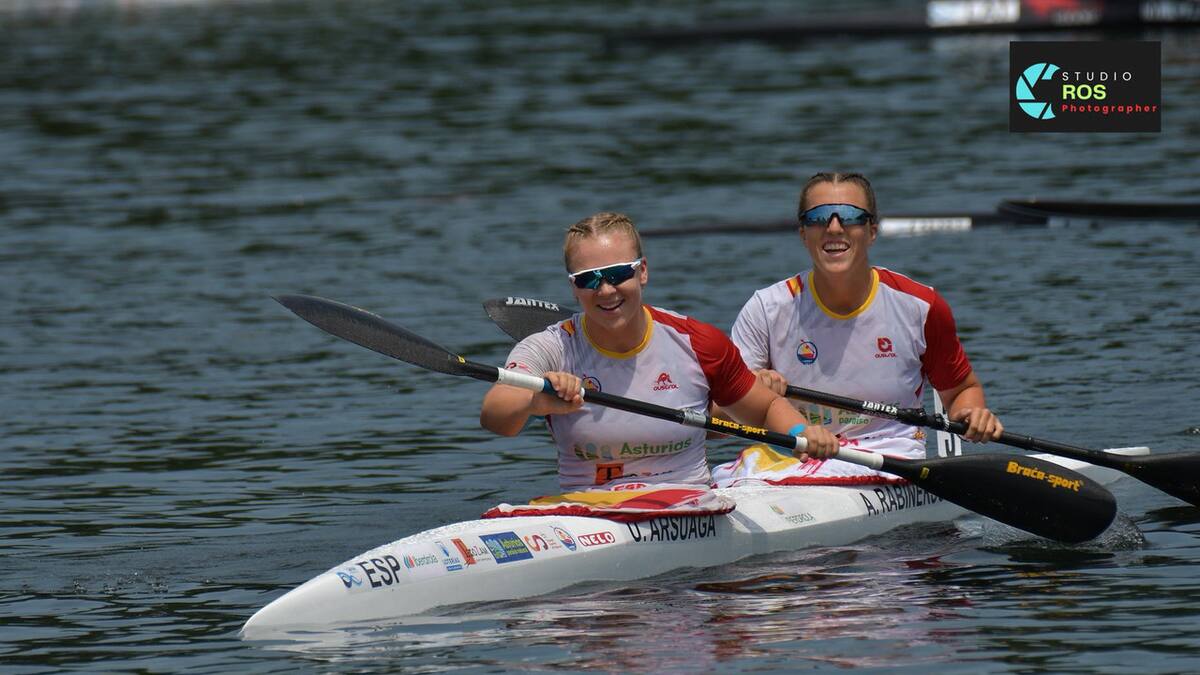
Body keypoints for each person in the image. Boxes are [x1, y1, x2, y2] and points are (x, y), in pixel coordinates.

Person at [481, 211, 838, 492]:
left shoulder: (697, 342)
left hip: (687, 505)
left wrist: (801, 433)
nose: (605, 290)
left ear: (643, 272)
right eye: (589, 279)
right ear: (574, 288)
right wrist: (534, 401)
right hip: (586, 512)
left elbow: (766, 407)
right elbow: (495, 418)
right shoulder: (550, 347)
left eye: (618, 273)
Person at [713, 172, 1003, 486]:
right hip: (794, 456)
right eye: (818, 218)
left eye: (851, 217)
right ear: (803, 233)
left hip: (887, 456)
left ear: (872, 231)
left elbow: (960, 391)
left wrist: (972, 415)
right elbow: (715, 422)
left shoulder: (921, 307)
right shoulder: (765, 309)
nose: (834, 228)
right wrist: (751, 394)